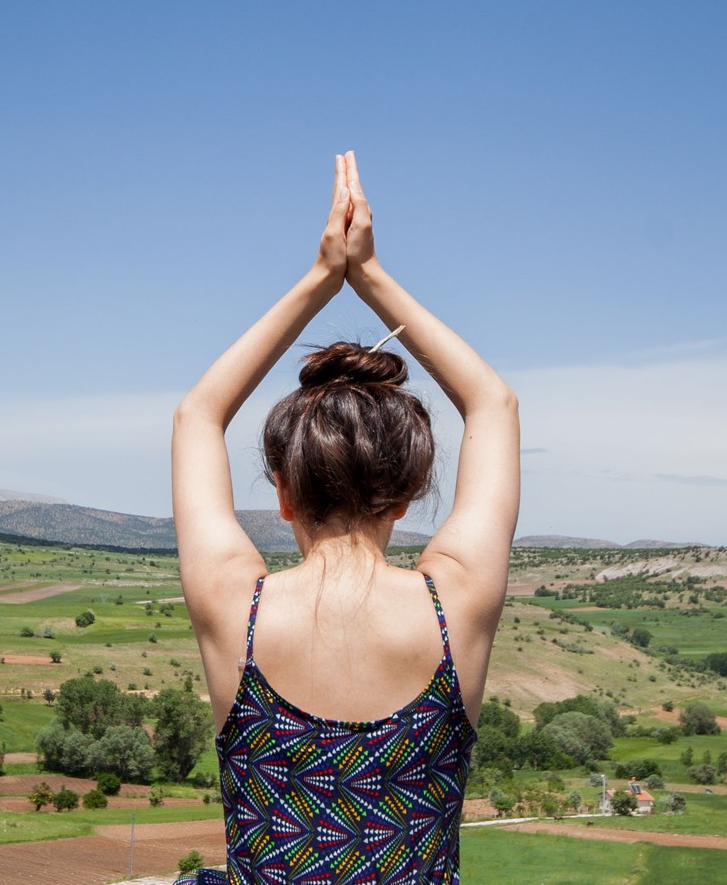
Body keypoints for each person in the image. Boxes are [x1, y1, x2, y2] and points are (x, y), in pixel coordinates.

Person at [171, 152, 519, 883]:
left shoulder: (237, 608)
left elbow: (198, 415)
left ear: (283, 495)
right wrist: (371, 276)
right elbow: (493, 402)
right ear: (405, 493)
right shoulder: (455, 604)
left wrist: (321, 277)